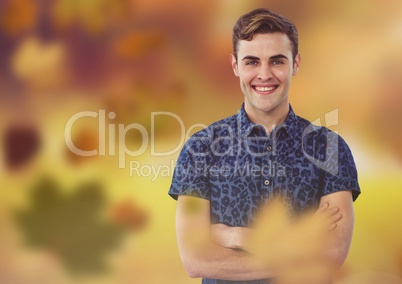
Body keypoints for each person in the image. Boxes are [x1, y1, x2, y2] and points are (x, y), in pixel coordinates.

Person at [168, 8, 360, 284]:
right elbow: (196, 260)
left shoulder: (330, 148)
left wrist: (234, 235)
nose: (264, 74)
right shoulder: (200, 149)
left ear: (295, 64)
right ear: (235, 66)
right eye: (252, 62)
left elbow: (330, 255)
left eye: (277, 61)